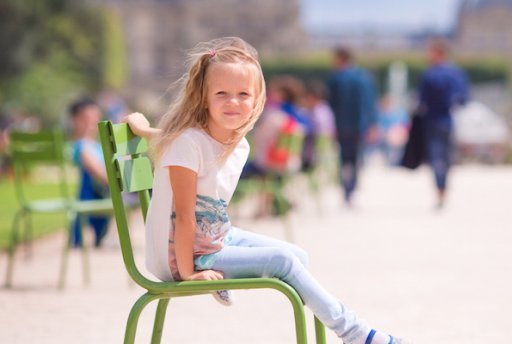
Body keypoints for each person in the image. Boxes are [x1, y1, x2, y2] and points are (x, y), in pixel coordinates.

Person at [123, 37, 408, 344]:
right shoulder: (188, 144)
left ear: (258, 99)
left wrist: (147, 131)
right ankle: (355, 334)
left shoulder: (234, 142)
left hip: (215, 238)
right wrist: (190, 273)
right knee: (284, 263)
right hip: (181, 255)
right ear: (204, 97)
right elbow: (184, 215)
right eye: (222, 94)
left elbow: (181, 142)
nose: (233, 102)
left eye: (243, 94)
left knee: (298, 255)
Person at [417, 37, 470, 209]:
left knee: (435, 158)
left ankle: (439, 189)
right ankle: (444, 188)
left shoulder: (429, 74)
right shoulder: (456, 74)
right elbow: (464, 100)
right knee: (446, 158)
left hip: (433, 120)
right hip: (449, 120)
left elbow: (422, 102)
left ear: (438, 53)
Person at [327, 46, 378, 206]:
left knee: (343, 159)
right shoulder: (363, 78)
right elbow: (370, 104)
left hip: (341, 126)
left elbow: (330, 105)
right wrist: (373, 124)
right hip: (359, 126)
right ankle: (352, 189)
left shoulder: (335, 78)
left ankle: (346, 189)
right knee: (356, 159)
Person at [69, 98, 110, 247]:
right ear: (75, 120)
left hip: (102, 193)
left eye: (95, 119)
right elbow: (96, 171)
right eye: (86, 119)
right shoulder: (80, 146)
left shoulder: (97, 147)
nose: (91, 123)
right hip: (90, 194)